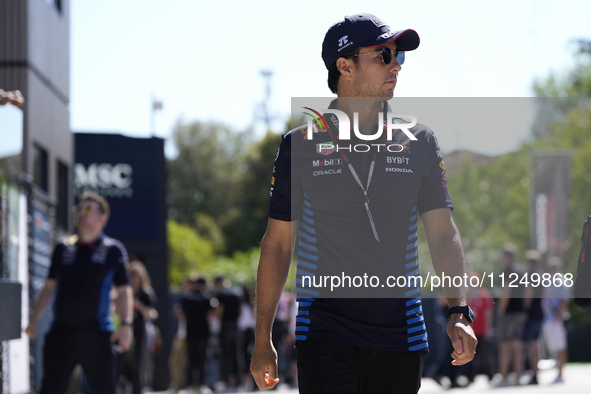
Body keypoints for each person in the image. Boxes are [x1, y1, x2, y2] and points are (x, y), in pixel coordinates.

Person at [250, 13, 477, 393]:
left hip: (401, 336)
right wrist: (262, 339)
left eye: (399, 57)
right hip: (324, 333)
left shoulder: (418, 141)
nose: (396, 67)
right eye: (384, 55)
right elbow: (277, 243)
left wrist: (458, 310)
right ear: (345, 65)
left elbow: (442, 234)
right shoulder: (300, 145)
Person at [25, 191, 133, 394]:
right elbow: (49, 287)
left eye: (88, 209)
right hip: (61, 331)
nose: (81, 213)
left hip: (97, 333)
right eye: (78, 209)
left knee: (104, 389)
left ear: (103, 218)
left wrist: (126, 324)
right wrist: (33, 319)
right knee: (50, 389)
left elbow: (124, 290)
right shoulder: (62, 247)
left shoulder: (113, 250)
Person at [119, 260, 158, 394]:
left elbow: (152, 313)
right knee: (121, 358)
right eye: (131, 274)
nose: (133, 278)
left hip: (140, 328)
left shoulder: (146, 293)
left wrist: (138, 305)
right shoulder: (124, 291)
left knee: (139, 360)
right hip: (124, 327)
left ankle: (137, 390)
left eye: (136, 275)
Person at [495, 244, 527, 387]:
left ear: (507, 257)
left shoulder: (507, 272)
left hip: (509, 313)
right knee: (517, 344)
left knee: (505, 345)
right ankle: (518, 376)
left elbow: (506, 293)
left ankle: (504, 377)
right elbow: (528, 293)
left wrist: (500, 310)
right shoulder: (521, 271)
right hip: (520, 311)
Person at [181, 276, 217, 393]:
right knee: (202, 361)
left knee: (191, 361)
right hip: (203, 333)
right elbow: (212, 313)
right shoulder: (206, 298)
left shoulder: (187, 298)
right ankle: (200, 385)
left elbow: (181, 313)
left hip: (190, 332)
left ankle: (190, 386)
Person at [542, 257, 570, 384]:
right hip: (550, 319)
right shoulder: (550, 281)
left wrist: (557, 317)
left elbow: (564, 301)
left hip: (557, 319)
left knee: (560, 347)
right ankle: (558, 372)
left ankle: (560, 374)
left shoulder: (561, 280)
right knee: (555, 347)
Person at [522, 249, 544, 385]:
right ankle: (535, 372)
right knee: (536, 344)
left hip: (531, 314)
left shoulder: (530, 276)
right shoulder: (541, 276)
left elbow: (528, 296)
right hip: (539, 311)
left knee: (532, 345)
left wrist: (524, 310)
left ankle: (534, 373)